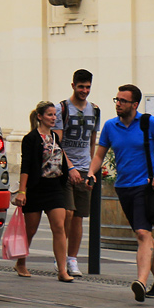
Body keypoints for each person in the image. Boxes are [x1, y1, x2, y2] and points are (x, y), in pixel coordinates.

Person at [86, 84, 154, 302]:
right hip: (123, 188)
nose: (118, 104)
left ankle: (140, 281)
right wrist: (91, 172)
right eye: (116, 100)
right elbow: (100, 155)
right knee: (144, 233)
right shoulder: (110, 126)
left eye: (123, 101)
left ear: (134, 105)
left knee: (142, 234)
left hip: (146, 187)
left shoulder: (148, 123)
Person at [12, 101, 83, 281]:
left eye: (54, 115)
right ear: (40, 117)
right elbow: (26, 166)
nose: (53, 118)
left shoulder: (55, 137)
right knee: (30, 230)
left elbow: (60, 161)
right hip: (37, 187)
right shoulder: (31, 138)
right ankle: (21, 262)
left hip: (54, 187)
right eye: (50, 115)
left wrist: (72, 174)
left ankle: (62, 270)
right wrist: (22, 191)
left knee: (59, 227)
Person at [55, 69, 100, 277]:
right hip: (64, 168)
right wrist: (70, 166)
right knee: (68, 213)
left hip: (84, 168)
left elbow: (92, 141)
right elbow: (57, 142)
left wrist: (91, 169)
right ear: (73, 85)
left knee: (79, 216)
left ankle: (73, 259)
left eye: (88, 87)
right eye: (81, 87)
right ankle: (62, 258)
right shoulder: (61, 108)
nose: (85, 91)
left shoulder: (95, 110)